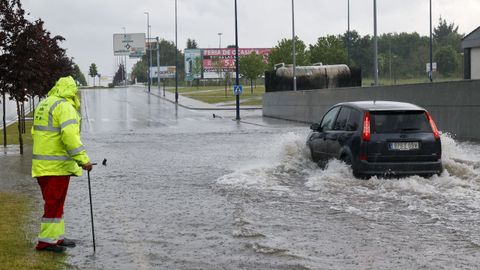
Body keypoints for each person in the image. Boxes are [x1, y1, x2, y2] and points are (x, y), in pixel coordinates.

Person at [31, 76, 92, 253]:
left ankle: (56, 238)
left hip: (42, 166)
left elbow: (37, 133)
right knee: (53, 204)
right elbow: (70, 138)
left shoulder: (45, 103)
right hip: (56, 168)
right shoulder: (64, 107)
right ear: (71, 91)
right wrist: (83, 160)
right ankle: (46, 243)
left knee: (55, 203)